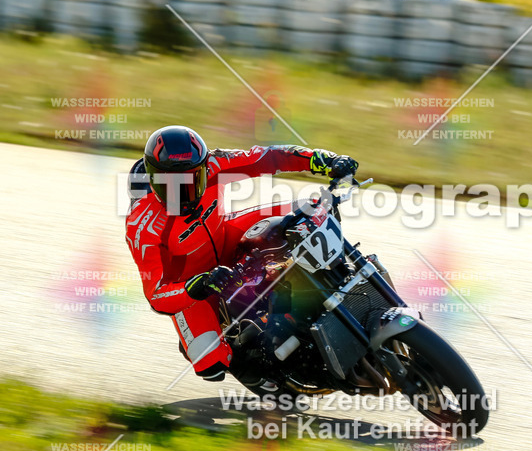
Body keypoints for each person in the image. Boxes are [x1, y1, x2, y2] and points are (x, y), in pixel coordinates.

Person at [125, 125, 358, 386]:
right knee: (211, 365)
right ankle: (261, 371)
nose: (184, 193)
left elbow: (267, 157)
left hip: (227, 235)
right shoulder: (142, 225)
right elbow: (156, 294)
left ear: (204, 168)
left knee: (309, 211)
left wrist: (323, 159)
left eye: (192, 180)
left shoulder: (215, 164)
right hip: (195, 284)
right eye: (172, 184)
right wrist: (196, 286)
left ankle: (338, 273)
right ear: (153, 179)